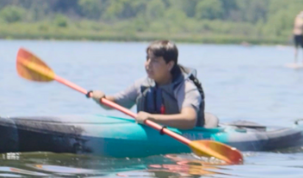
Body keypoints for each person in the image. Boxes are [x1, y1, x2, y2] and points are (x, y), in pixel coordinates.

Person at [87, 40, 217, 130]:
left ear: (170, 65)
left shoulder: (185, 87)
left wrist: (151, 118)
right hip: (158, 132)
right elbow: (117, 102)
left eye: (155, 60)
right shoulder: (142, 85)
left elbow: (189, 120)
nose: (148, 64)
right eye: (147, 58)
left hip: (190, 134)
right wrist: (101, 98)